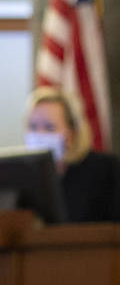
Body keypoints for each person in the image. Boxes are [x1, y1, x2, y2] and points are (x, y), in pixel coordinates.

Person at [25, 86, 120, 223]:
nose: (39, 134)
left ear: (72, 133)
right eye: (33, 127)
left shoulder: (105, 169)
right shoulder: (23, 178)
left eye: (49, 127)